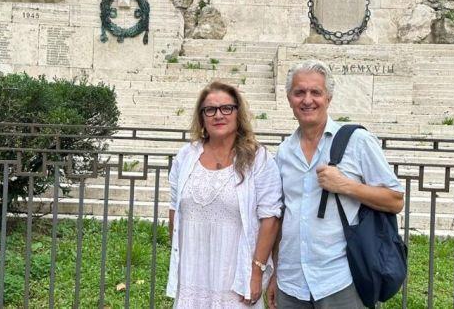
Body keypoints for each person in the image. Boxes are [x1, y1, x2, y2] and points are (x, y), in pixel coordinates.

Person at [267, 60, 405, 308]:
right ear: (289, 99)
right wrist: (275, 273)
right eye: (299, 92)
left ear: (328, 98)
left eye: (315, 92)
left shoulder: (357, 141)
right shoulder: (284, 153)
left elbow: (395, 200)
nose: (307, 100)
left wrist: (347, 186)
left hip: (340, 281)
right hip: (291, 284)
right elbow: (282, 216)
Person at [167, 81, 282, 308]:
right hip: (193, 274)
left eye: (226, 108)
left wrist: (256, 272)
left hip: (236, 275)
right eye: (210, 109)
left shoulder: (258, 159)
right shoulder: (186, 156)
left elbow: (270, 219)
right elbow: (174, 210)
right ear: (202, 117)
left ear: (238, 114)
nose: (218, 115)